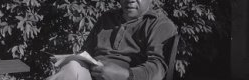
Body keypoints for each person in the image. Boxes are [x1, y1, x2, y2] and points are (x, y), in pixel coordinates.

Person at [47, 0, 177, 80]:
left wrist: (126, 75)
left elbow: (158, 68)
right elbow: (86, 52)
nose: (130, 0)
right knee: (72, 67)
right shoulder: (107, 18)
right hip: (93, 75)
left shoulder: (160, 25)